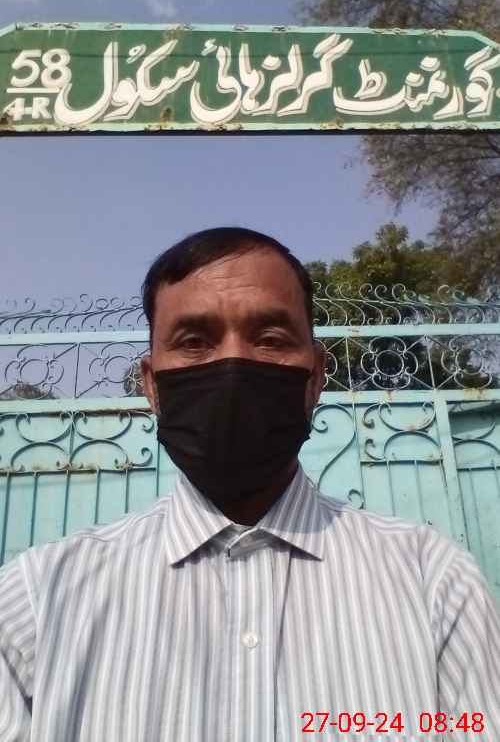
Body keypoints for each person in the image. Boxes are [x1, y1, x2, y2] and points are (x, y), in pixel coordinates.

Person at [0, 226, 499, 742]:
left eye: (271, 339)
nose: (232, 367)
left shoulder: (435, 586)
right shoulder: (34, 606)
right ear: (151, 385)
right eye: (194, 342)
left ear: (315, 377)